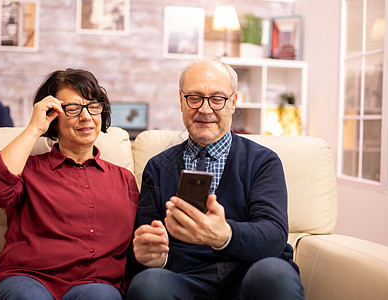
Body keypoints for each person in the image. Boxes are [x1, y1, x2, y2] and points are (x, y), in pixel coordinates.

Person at [126, 59, 305, 300]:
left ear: (233, 102)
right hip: (185, 279)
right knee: (147, 284)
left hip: (249, 274)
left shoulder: (263, 162)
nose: (205, 109)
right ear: (181, 100)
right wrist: (154, 257)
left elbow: (273, 236)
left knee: (274, 272)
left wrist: (224, 235)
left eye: (217, 99)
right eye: (194, 97)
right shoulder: (158, 167)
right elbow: (143, 247)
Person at [0, 68, 139, 300]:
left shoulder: (124, 179)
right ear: (53, 116)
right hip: (26, 278)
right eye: (73, 109)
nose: (86, 117)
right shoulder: (27, 169)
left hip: (95, 284)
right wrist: (34, 128)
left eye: (93, 106)